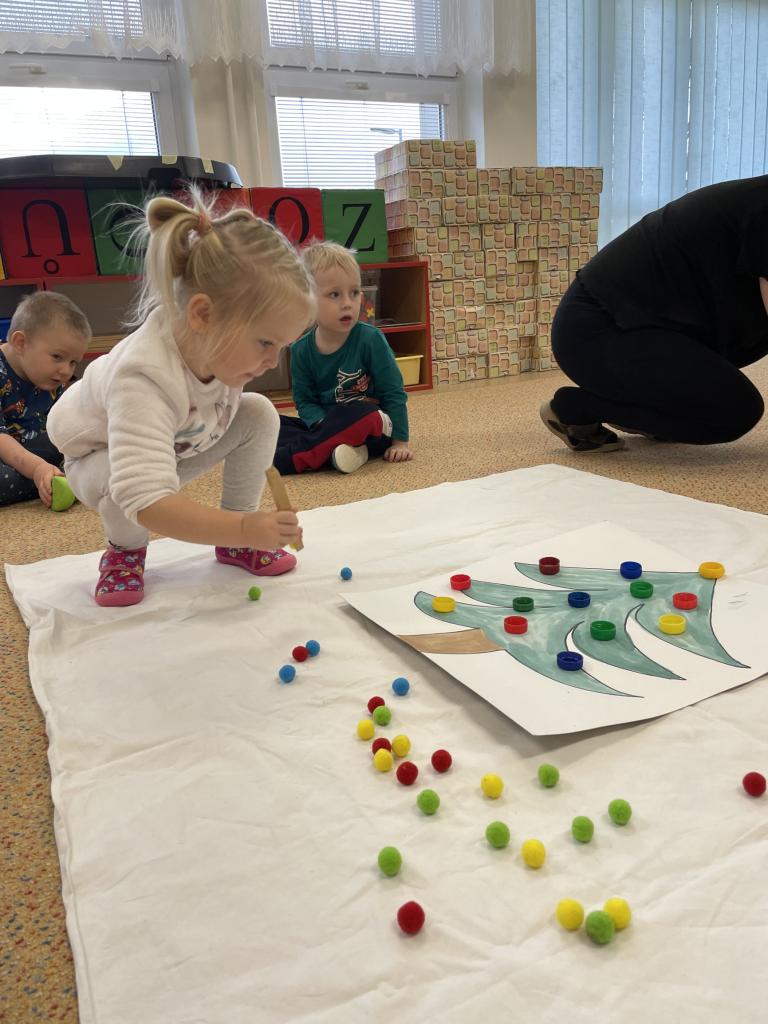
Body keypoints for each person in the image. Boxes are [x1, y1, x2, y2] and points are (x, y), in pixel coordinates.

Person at [47, 190, 315, 607]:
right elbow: (146, 499)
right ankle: (124, 551)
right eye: (266, 342)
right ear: (203, 315)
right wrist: (246, 529)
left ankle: (234, 544)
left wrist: (241, 525)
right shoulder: (142, 377)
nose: (273, 361)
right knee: (124, 483)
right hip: (95, 458)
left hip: (175, 438)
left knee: (260, 413)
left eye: (282, 346)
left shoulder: (217, 346)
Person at [540, 174, 768, 453]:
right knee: (734, 411)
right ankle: (577, 408)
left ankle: (654, 412)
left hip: (657, 330)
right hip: (598, 330)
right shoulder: (763, 205)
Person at [274, 241, 412, 475]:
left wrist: (400, 442)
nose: (347, 303)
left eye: (354, 293)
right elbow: (305, 401)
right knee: (274, 424)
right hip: (329, 427)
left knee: (362, 414)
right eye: (334, 295)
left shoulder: (371, 339)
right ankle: (345, 452)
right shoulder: (300, 350)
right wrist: (323, 425)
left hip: (373, 427)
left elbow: (393, 392)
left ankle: (294, 458)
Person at [0, 291, 91, 507]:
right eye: (57, 357)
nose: (66, 371)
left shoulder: (49, 376)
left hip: (30, 449)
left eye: (73, 362)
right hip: (5, 451)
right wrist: (37, 469)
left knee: (82, 450)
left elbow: (60, 427)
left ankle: (54, 478)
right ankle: (53, 479)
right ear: (20, 343)